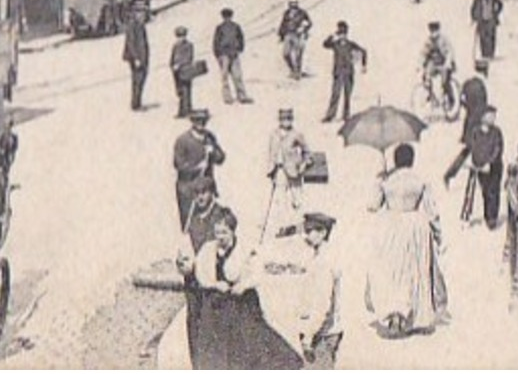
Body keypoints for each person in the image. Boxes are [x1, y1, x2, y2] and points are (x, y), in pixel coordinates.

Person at [190, 211, 303, 369]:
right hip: (217, 301)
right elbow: (200, 273)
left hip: (242, 301)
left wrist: (242, 285)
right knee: (214, 345)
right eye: (217, 233)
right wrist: (215, 284)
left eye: (224, 232)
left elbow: (257, 273)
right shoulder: (208, 249)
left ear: (232, 231)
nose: (220, 237)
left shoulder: (245, 249)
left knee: (248, 342)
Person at [365, 143, 449, 338]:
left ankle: (394, 314)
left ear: (395, 160)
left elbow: (372, 206)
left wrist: (379, 181)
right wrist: (437, 234)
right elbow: (432, 212)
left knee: (392, 271)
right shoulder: (420, 180)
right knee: (414, 272)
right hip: (416, 226)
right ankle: (414, 315)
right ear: (412, 160)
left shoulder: (388, 181)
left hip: (391, 225)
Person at [258, 212, 344, 369]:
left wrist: (308, 337)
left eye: (309, 230)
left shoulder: (325, 261)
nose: (305, 235)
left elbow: (322, 304)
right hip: (322, 330)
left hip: (322, 334)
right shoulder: (321, 254)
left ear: (323, 233)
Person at [176, 176, 233, 369]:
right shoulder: (192, 218)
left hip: (215, 282)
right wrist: (181, 261)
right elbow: (184, 246)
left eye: (204, 192)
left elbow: (223, 249)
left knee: (214, 329)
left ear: (212, 192)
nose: (200, 197)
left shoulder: (221, 216)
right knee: (194, 324)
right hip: (192, 282)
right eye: (197, 193)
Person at [444, 106, 506, 229]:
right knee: (477, 191)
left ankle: (491, 218)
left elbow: (498, 149)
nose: (493, 118)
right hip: (478, 166)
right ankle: (468, 215)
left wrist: (490, 163)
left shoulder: (496, 132)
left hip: (493, 168)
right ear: (483, 117)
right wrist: (454, 170)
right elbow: (469, 149)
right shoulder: (475, 132)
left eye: (494, 116)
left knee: (492, 192)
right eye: (490, 116)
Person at [173, 110, 226, 226]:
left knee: (207, 224)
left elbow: (221, 159)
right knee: (189, 223)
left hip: (207, 188)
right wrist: (197, 167)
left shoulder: (210, 137)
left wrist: (214, 152)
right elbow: (179, 165)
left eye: (204, 120)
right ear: (192, 122)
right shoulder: (183, 140)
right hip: (188, 189)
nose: (201, 123)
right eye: (198, 120)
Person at [322, 22, 369, 122]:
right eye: (340, 33)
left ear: (346, 34)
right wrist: (331, 36)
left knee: (347, 95)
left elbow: (363, 51)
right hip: (338, 73)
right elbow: (325, 44)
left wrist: (364, 65)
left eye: (344, 33)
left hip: (348, 72)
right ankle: (330, 115)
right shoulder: (335, 44)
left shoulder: (351, 44)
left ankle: (346, 115)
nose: (342, 36)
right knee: (335, 94)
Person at [267, 108, 309, 218]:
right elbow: (271, 152)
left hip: (293, 169)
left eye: (288, 119)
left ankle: (298, 218)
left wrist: (303, 164)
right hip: (279, 169)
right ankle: (283, 220)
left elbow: (306, 151)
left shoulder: (296, 134)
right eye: (283, 119)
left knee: (296, 197)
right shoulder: (274, 134)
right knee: (280, 196)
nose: (286, 122)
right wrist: (271, 167)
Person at [213, 7, 253, 105]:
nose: (227, 19)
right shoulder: (220, 28)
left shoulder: (236, 27)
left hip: (233, 54)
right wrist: (218, 54)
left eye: (228, 17)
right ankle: (228, 97)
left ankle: (241, 96)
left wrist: (240, 49)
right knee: (225, 77)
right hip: (224, 54)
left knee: (237, 76)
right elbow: (216, 42)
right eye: (226, 17)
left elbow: (240, 38)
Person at [470, 0, 504, 70]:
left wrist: (497, 12)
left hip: (491, 20)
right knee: (483, 37)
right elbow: (473, 8)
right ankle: (485, 53)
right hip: (482, 21)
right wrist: (474, 18)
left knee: (491, 36)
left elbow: (500, 4)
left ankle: (490, 53)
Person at [122, 5, 151, 111]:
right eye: (141, 13)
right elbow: (131, 43)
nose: (143, 16)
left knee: (141, 79)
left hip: (142, 57)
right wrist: (136, 58)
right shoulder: (132, 25)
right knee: (137, 80)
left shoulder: (139, 24)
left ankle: (138, 102)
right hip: (137, 58)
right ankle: (136, 104)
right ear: (136, 14)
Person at [278, 0, 313, 80]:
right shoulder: (286, 13)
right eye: (291, 3)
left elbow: (309, 23)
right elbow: (283, 24)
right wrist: (281, 35)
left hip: (298, 35)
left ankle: (298, 73)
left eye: (294, 3)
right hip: (288, 34)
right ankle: (292, 69)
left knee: (298, 55)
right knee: (286, 54)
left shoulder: (302, 12)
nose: (293, 5)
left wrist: (303, 29)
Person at [457, 67, 489, 140]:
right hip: (476, 89)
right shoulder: (482, 82)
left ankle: (466, 136)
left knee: (470, 115)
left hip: (468, 88)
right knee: (476, 116)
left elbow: (462, 98)